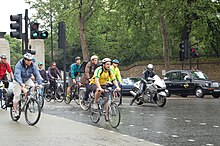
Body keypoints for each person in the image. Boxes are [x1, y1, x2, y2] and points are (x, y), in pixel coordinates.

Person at [13, 53, 43, 118]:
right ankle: (15, 111)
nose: (30, 61)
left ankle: (28, 98)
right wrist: (21, 84)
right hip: (18, 80)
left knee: (33, 86)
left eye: (31, 60)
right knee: (17, 96)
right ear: (25, 60)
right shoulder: (19, 64)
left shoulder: (33, 65)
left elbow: (37, 74)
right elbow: (17, 75)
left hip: (27, 78)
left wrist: (40, 84)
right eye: (28, 60)